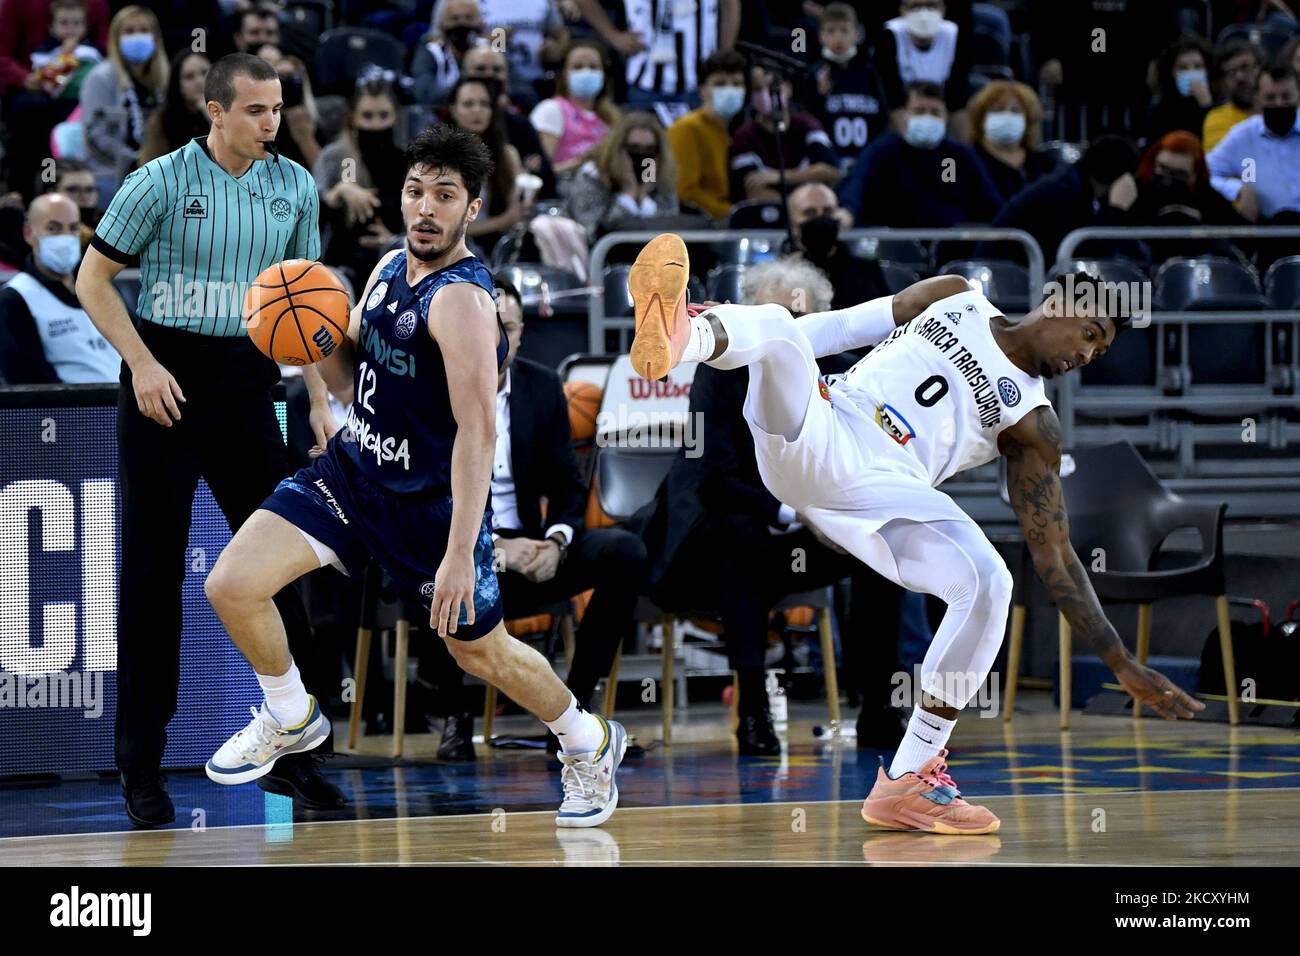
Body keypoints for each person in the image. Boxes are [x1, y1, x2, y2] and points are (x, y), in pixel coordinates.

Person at [627, 233, 1203, 832]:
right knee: (778, 327)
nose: (1087, 356)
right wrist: (775, 344)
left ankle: (912, 774)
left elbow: (1055, 556)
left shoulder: (1034, 424)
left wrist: (1120, 660)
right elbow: (839, 329)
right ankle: (681, 336)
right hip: (821, 427)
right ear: (1056, 301)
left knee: (988, 582)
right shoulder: (956, 297)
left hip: (886, 489)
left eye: (1100, 351)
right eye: (1089, 335)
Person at [200, 124, 630, 829]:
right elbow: (353, 375)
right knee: (232, 584)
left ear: (471, 206)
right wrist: (307, 335)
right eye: (415, 191)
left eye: (445, 195)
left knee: (481, 651)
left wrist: (461, 551)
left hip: (429, 510)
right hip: (353, 472)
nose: (426, 208)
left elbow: (478, 432)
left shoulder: (463, 302)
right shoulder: (387, 269)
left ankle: (586, 739)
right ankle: (292, 716)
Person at [75, 52, 342, 828]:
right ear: (214, 112)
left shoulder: (293, 186)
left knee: (280, 574)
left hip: (247, 381)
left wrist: (320, 398)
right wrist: (142, 364)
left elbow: (305, 311)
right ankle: (139, 767)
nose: (272, 123)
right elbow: (93, 280)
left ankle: (299, 761)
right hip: (164, 378)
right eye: (255, 110)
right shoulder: (157, 180)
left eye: (278, 108)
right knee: (152, 580)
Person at [638, 254, 920, 753]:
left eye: (796, 321)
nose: (783, 333)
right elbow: (714, 478)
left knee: (884, 547)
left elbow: (862, 463)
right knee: (739, 544)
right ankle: (753, 712)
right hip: (727, 530)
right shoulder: (720, 373)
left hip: (811, 534)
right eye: (770, 318)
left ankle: (880, 705)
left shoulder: (840, 372)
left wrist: (841, 518)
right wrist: (802, 512)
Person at [425, 277, 647, 759]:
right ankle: (455, 718)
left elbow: (569, 481)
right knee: (427, 565)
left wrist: (557, 543)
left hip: (532, 553)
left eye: (507, 326)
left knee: (624, 551)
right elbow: (422, 493)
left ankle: (572, 713)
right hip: (460, 552)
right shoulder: (433, 388)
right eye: (487, 326)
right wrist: (491, 547)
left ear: (521, 332)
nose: (498, 338)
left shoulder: (543, 385)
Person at [838, 81, 1000, 228]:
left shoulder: (956, 156)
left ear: (945, 117)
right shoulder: (883, 151)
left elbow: (989, 203)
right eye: (919, 111)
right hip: (897, 246)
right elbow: (857, 185)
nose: (927, 118)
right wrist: (848, 212)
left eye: (935, 113)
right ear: (905, 114)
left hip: (949, 245)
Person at [0, 192, 118, 384]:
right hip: (67, 411)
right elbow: (26, 380)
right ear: (29, 233)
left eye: (73, 228)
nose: (65, 237)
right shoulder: (15, 299)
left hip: (124, 405)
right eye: (53, 228)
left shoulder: (101, 286)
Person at [976, 134, 1139, 266]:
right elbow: (1088, 256)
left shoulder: (1075, 183)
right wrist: (1116, 209)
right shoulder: (1063, 192)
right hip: (1005, 277)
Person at [571, 0, 740, 109]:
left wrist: (724, 55)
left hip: (699, 81)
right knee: (647, 158)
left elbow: (730, 4)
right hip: (645, 82)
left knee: (692, 157)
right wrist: (613, 36)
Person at [315, 79, 407, 280]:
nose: (376, 124)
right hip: (340, 265)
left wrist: (394, 241)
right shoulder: (337, 156)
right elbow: (310, 209)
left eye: (383, 116)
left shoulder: (407, 161)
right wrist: (340, 191)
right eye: (367, 116)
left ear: (396, 118)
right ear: (352, 119)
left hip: (397, 265)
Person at [78, 5, 167, 195]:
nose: (137, 36)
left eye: (144, 30)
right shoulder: (100, 78)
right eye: (129, 31)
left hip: (159, 170)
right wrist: (134, 160)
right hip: (111, 171)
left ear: (156, 37)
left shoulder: (163, 80)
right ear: (115, 39)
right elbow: (94, 135)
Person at [1126, 131, 1250, 263]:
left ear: (1195, 175)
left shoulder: (1206, 196)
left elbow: (1244, 238)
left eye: (1179, 174)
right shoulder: (1135, 190)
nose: (1168, 180)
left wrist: (1200, 226)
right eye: (1162, 168)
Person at [730, 64, 842, 204]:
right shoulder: (745, 135)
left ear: (788, 88)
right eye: (758, 89)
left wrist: (779, 177)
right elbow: (753, 190)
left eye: (772, 86)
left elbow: (831, 171)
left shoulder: (807, 125)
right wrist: (797, 206)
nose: (766, 94)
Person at [445, 76, 530, 257]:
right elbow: (446, 228)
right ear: (453, 109)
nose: (477, 111)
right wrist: (503, 221)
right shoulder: (442, 158)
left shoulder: (507, 154)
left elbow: (516, 214)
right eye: (468, 104)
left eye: (484, 104)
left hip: (501, 246)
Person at [461, 44, 558, 199]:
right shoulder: (447, 126)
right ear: (464, 75)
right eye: (480, 69)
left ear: (507, 78)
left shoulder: (520, 125)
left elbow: (547, 179)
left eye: (496, 70)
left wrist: (527, 175)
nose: (489, 75)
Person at [1207, 65, 1300, 224]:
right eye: (1270, 98)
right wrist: (1237, 189)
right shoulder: (1242, 136)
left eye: (1286, 97)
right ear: (1257, 99)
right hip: (1266, 233)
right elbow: (1205, 173)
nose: (1279, 104)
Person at [565, 111, 679, 237]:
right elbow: (592, 231)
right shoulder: (592, 175)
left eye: (649, 149)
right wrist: (628, 194)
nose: (642, 155)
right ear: (618, 149)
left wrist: (644, 197)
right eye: (634, 148)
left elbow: (670, 228)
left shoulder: (662, 178)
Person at [666, 49, 747, 220]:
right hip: (704, 227)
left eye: (737, 84)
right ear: (703, 90)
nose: (730, 90)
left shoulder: (738, 131)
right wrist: (732, 214)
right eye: (720, 84)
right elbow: (685, 192)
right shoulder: (687, 128)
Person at [874, 0, 970, 140]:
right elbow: (892, 98)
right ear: (903, 10)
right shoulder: (890, 34)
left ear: (943, 9)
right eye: (916, 6)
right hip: (904, 107)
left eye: (931, 6)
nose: (923, 13)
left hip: (942, 105)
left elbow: (957, 98)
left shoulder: (954, 35)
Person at [786, 182, 889, 312]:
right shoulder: (780, 276)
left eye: (828, 211)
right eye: (810, 212)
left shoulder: (865, 272)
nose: (820, 218)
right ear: (791, 222)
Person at [811, 2, 890, 169]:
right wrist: (819, 95)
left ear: (856, 34)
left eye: (844, 30)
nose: (838, 37)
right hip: (830, 162)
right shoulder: (816, 73)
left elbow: (883, 118)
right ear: (821, 36)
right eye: (831, 31)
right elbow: (809, 122)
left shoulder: (870, 73)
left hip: (867, 159)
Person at [529, 38, 619, 178]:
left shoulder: (612, 118)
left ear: (604, 75)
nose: (586, 72)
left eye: (593, 67)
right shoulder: (551, 110)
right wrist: (582, 161)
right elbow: (542, 173)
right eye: (578, 67)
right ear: (564, 75)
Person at [966, 80, 1054, 204]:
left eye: (1015, 110)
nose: (1007, 116)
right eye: (997, 110)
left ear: (1027, 120)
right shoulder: (964, 161)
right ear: (981, 119)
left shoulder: (1044, 164)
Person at [137, 49, 210, 164]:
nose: (200, 81)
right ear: (177, 85)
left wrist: (213, 118)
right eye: (189, 77)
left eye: (205, 72)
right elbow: (151, 168)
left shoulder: (230, 113)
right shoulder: (161, 122)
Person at [412, 0, 487, 106]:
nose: (462, 23)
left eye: (469, 17)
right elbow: (425, 95)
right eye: (454, 18)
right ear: (441, 25)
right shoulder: (430, 52)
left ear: (481, 22)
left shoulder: (492, 51)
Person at [1146, 34, 1216, 144]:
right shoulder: (1160, 111)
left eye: (1198, 66)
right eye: (1183, 68)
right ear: (1172, 72)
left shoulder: (1219, 104)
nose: (1191, 72)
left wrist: (1206, 106)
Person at [1203, 39, 1264, 152]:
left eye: (1245, 67)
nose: (1239, 77)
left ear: (1262, 69)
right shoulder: (1217, 120)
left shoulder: (1286, 108)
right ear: (1223, 83)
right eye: (1231, 72)